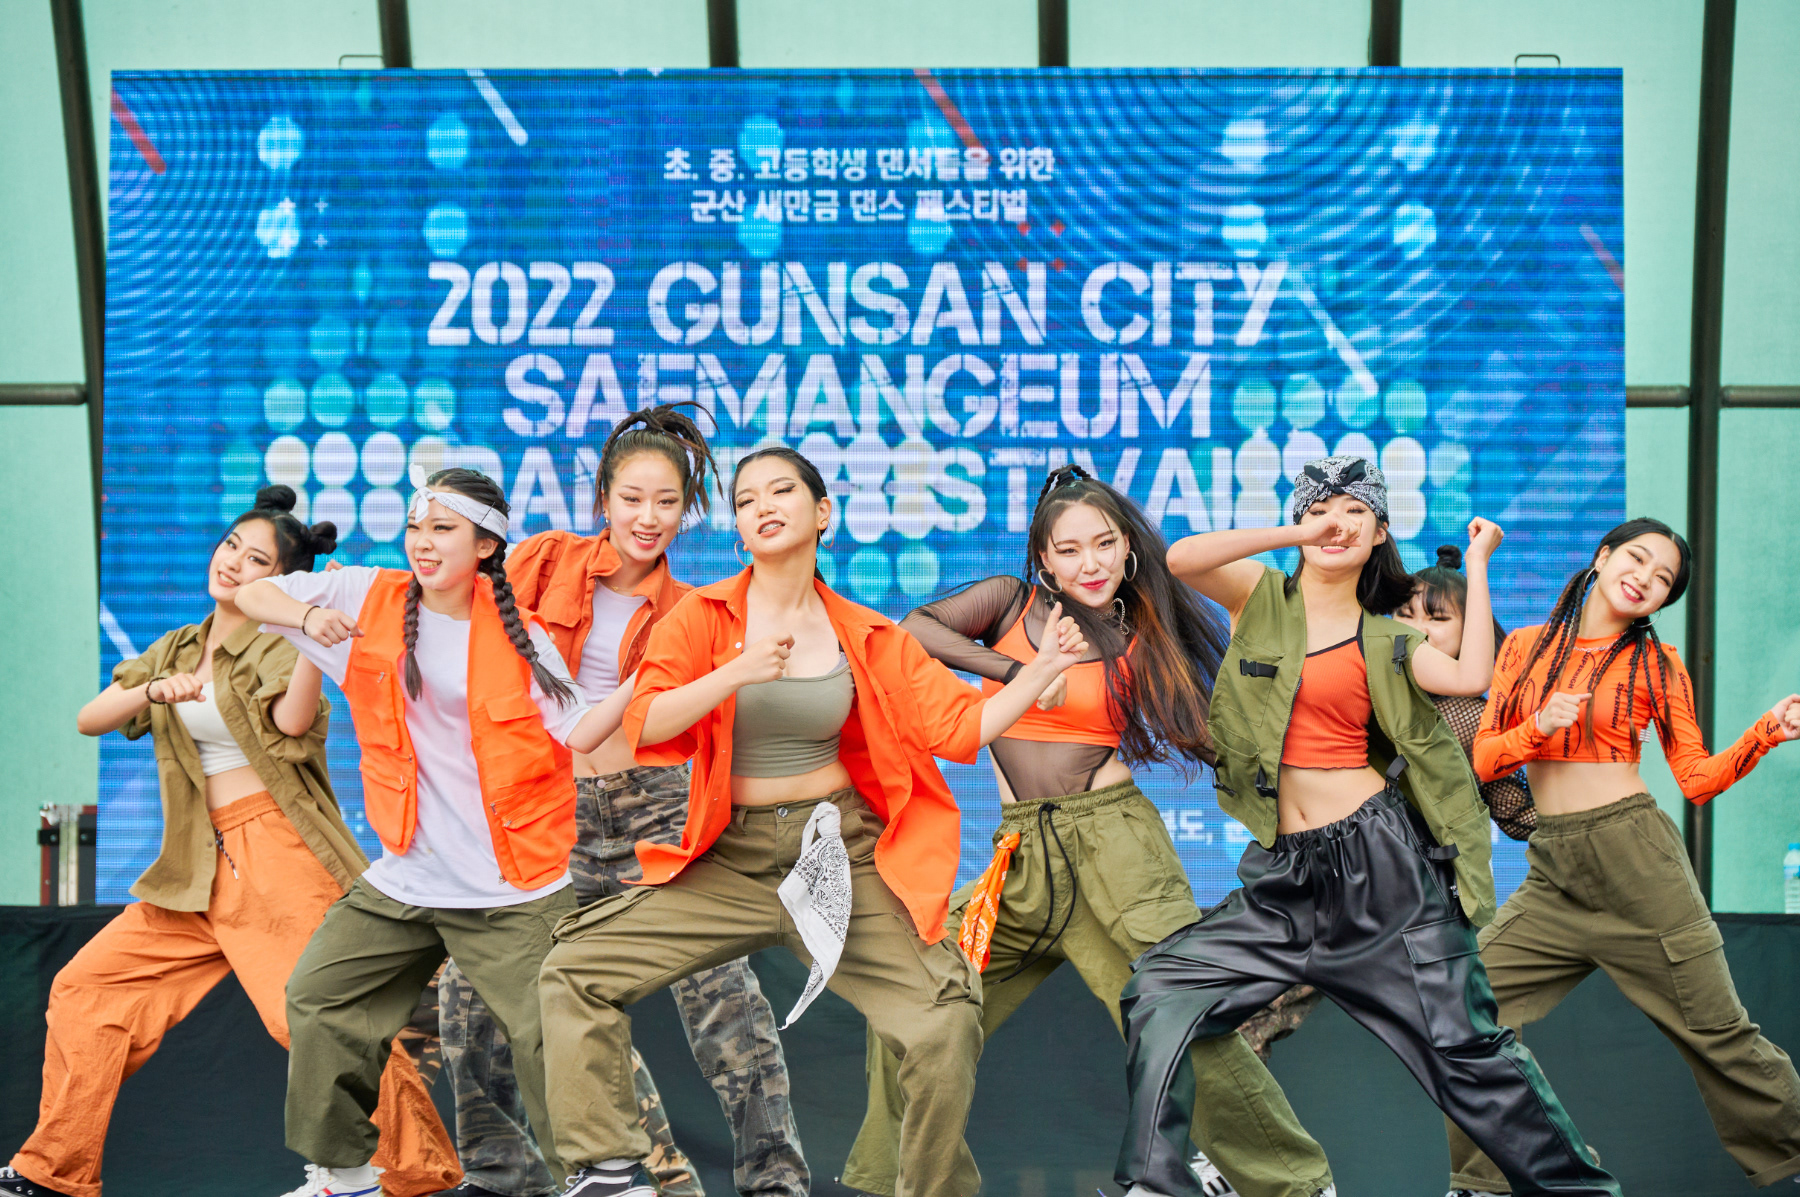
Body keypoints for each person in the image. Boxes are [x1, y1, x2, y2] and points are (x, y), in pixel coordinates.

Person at [537, 446, 1089, 1197]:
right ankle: (608, 1169)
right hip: (730, 858)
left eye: (781, 491)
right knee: (575, 968)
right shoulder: (702, 617)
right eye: (745, 500)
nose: (762, 506)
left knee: (944, 1020)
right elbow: (644, 722)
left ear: (822, 511)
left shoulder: (867, 635)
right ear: (738, 528)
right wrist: (735, 672)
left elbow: (963, 727)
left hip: (834, 855)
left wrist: (1042, 668)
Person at [1114, 455, 1619, 1197]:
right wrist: (1298, 531)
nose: (1338, 523)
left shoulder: (1388, 638)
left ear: (1380, 533)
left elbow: (1472, 676)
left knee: (1465, 1051)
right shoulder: (1261, 597)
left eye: (1357, 512)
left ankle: (1581, 1193)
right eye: (1323, 508)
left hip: (1381, 873)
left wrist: (1479, 563)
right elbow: (1182, 558)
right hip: (1284, 879)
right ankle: (1156, 1186)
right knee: (1160, 986)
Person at [839, 464, 1333, 1197]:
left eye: (1104, 544)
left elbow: (1212, 733)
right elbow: (914, 630)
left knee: (1180, 1019)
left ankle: (1297, 1186)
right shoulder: (1009, 604)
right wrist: (1022, 673)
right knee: (915, 998)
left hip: (1114, 849)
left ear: (1128, 547)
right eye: (1069, 550)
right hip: (1019, 859)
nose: (1090, 563)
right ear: (1043, 559)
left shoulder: (1141, 630)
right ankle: (907, 1187)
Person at [1, 486, 458, 1197]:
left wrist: (312, 643)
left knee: (317, 1019)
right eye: (231, 546)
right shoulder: (180, 645)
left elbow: (292, 722)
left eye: (256, 561)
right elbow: (92, 717)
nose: (234, 563)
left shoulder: (276, 641)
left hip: (273, 852)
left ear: (280, 581)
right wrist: (153, 690)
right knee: (88, 989)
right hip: (193, 866)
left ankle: (417, 1175)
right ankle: (54, 1171)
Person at [232, 468, 635, 1197]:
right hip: (407, 876)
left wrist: (648, 681)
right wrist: (306, 619)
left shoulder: (524, 638)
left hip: (510, 886)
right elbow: (253, 594)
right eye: (416, 526)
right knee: (321, 996)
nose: (422, 541)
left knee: (550, 1034)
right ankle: (345, 1176)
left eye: (442, 528)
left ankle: (597, 1177)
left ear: (485, 546)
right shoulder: (365, 594)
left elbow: (581, 729)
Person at [436, 406, 805, 1197]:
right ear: (603, 497)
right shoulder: (541, 561)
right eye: (632, 498)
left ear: (687, 508)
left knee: (727, 1007)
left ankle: (774, 1181)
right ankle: (507, 1175)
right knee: (473, 995)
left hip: (655, 810)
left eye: (667, 502)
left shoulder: (697, 609)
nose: (648, 517)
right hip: (550, 813)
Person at [1444, 517, 1800, 1196]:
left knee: (1721, 1035)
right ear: (1603, 556)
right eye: (1637, 559)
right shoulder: (1523, 647)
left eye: (1663, 580)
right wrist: (1538, 727)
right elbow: (1485, 758)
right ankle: (1491, 1180)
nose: (1645, 579)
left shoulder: (1657, 666)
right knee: (1462, 1005)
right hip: (1555, 870)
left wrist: (1766, 732)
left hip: (1638, 863)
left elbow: (1696, 779)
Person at [1237, 542, 1530, 1061]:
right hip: (1341, 877)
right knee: (1250, 1009)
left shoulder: (1474, 717)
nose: (1417, 629)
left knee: (1471, 1031)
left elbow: (1512, 808)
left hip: (1424, 897)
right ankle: (1229, 1110)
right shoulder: (1360, 686)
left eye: (1437, 618)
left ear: (1472, 631)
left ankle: (1517, 1113)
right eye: (1405, 614)